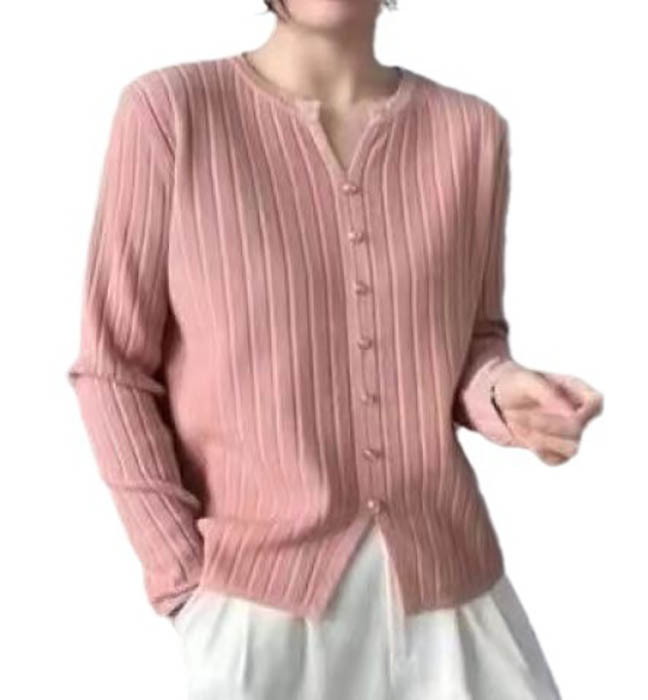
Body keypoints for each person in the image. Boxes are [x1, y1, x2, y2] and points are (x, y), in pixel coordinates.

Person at [67, 0, 604, 698]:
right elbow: (112, 368)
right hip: (258, 605)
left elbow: (471, 341)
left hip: (450, 589)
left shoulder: (469, 131)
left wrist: (506, 393)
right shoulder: (171, 114)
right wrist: (184, 580)